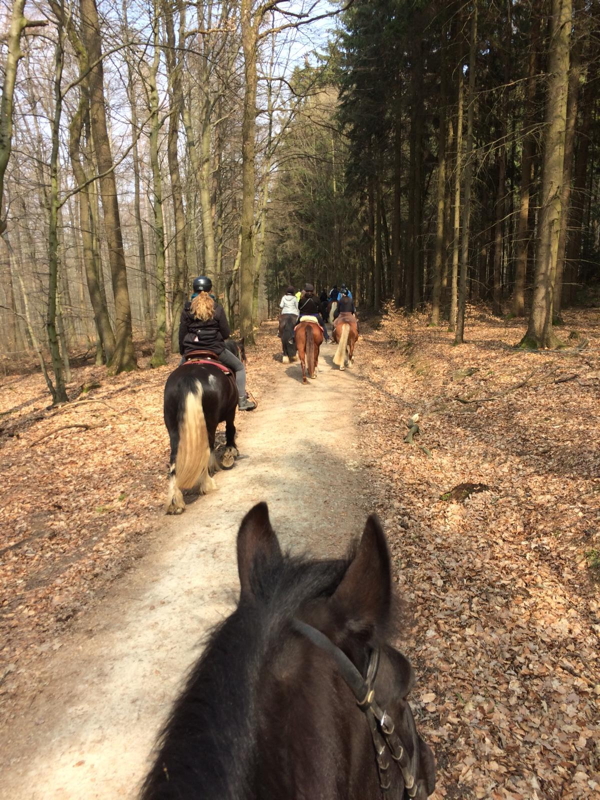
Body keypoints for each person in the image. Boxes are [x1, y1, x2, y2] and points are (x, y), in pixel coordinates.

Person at [179, 276, 256, 411]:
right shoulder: (217, 308)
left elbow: (182, 334)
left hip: (191, 350)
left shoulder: (187, 309)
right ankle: (242, 401)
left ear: (194, 290)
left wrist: (183, 352)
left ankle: (178, 405)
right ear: (210, 290)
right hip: (215, 349)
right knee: (239, 367)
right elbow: (225, 333)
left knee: (178, 375)